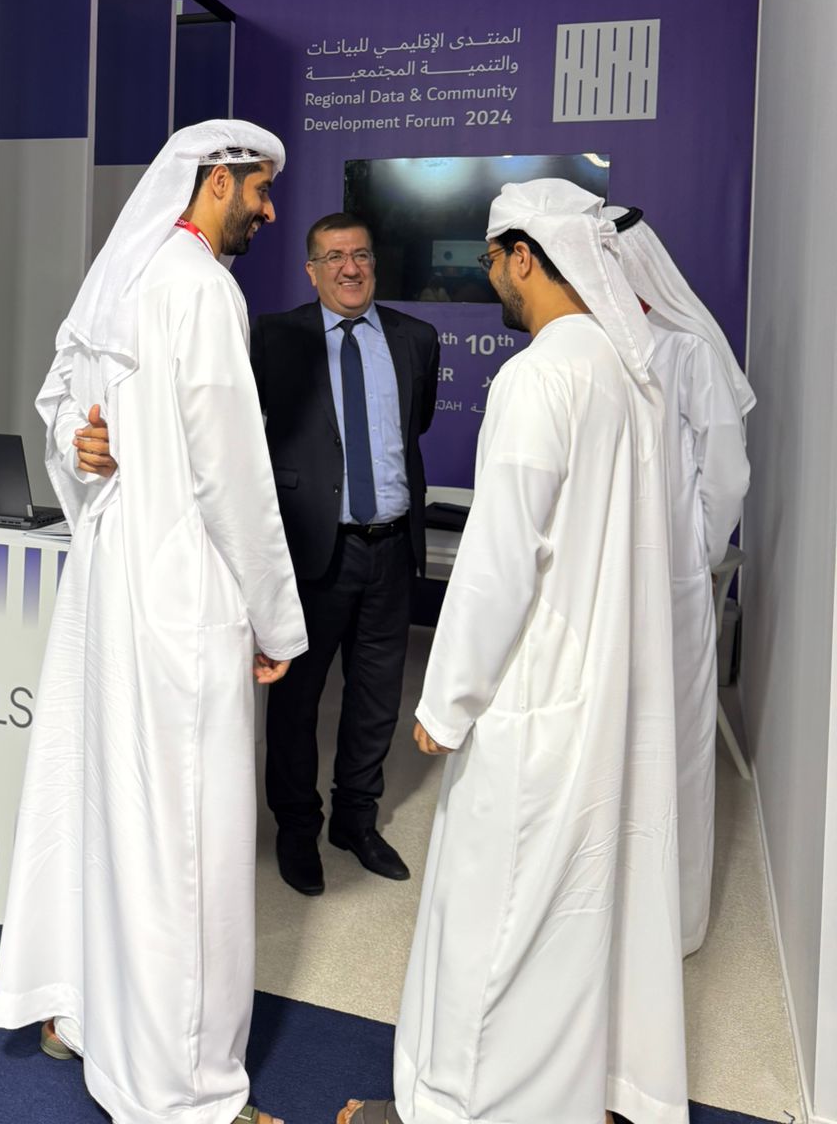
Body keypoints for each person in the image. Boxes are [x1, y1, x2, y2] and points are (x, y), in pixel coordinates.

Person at [341, 180, 688, 1124]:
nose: (488, 276)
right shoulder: (622, 372)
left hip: (531, 697)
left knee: (488, 919)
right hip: (599, 691)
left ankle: (454, 1110)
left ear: (524, 257)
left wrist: (445, 701)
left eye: (492, 260)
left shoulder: (540, 377)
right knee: (563, 919)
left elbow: (499, 562)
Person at [0, 121, 308, 1124]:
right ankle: (186, 1092)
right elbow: (231, 473)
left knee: (113, 809)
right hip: (182, 595)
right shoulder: (201, 287)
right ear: (218, 180)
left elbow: (61, 406)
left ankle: (85, 1015)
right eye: (259, 188)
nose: (268, 207)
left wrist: (83, 449)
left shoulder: (124, 277)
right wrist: (277, 619)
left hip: (108, 588)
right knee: (189, 845)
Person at [251, 214, 441, 895]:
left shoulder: (417, 339)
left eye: (360, 255)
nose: (350, 268)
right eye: (333, 257)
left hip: (390, 549)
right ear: (312, 271)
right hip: (311, 551)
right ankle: (297, 827)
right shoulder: (275, 338)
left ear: (375, 265)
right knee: (297, 702)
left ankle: (355, 821)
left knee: (376, 699)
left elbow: (414, 425)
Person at [607, 204, 754, 955]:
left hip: (672, 584)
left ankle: (672, 919)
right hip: (605, 583)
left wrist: (690, 554)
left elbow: (726, 475)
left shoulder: (688, 349)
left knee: (673, 742)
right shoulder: (590, 346)